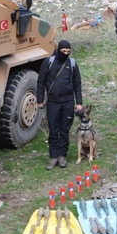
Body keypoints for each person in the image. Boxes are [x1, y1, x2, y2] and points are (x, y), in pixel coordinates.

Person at [37, 40, 83, 170]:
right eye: (63, 51)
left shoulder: (72, 64)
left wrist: (79, 102)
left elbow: (77, 84)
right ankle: (53, 156)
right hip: (52, 102)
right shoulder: (49, 62)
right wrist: (40, 100)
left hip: (68, 102)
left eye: (68, 52)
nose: (66, 54)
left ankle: (62, 156)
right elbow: (41, 81)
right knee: (53, 130)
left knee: (65, 130)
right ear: (58, 50)